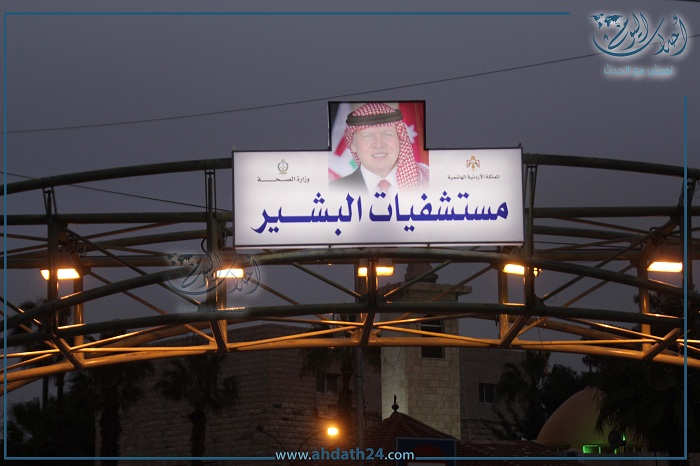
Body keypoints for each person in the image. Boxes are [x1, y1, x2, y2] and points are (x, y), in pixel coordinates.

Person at [331, 102, 429, 196]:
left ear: (400, 139)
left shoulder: (427, 183)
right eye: (367, 136)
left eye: (388, 135)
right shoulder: (333, 192)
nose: (379, 144)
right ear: (353, 144)